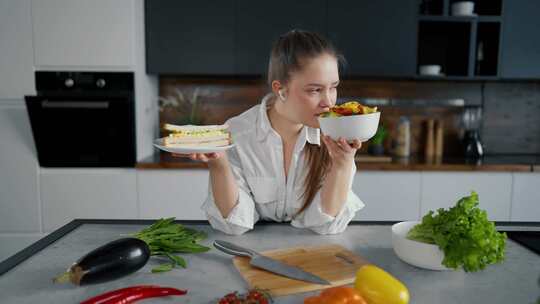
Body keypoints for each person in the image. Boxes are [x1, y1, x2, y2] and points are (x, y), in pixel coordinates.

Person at [178, 29, 364, 235]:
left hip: (313, 252)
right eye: (315, 90)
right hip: (251, 251)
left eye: (333, 87)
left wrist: (342, 165)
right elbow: (234, 226)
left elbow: (325, 225)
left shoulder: (337, 134)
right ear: (280, 89)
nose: (329, 102)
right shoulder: (237, 133)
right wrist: (218, 164)